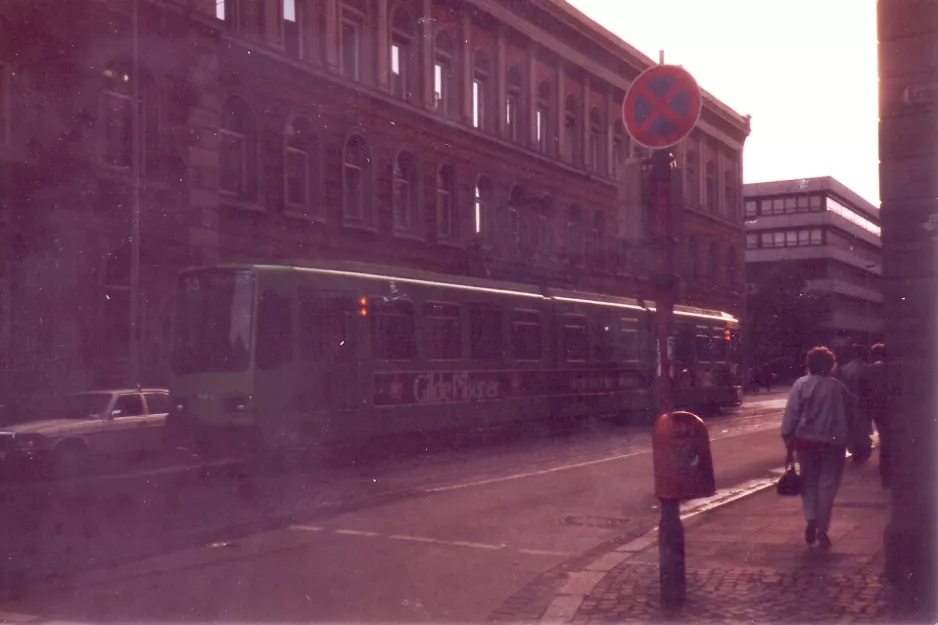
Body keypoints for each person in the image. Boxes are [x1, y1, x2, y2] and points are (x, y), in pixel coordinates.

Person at [781, 346, 857, 550]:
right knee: (828, 485)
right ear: (830, 365)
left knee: (809, 482)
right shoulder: (838, 387)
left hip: (806, 441)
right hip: (833, 443)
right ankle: (823, 528)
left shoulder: (801, 385)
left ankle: (811, 518)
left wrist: (788, 437)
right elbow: (851, 414)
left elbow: (792, 414)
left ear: (810, 364)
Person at [859, 343, 892, 486]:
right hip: (892, 408)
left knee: (885, 441)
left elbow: (864, 390)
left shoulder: (870, 369)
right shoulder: (894, 368)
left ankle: (886, 474)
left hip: (878, 409)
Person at [835, 344, 871, 463]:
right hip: (863, 402)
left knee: (851, 429)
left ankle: (855, 450)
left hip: (848, 403)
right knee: (863, 428)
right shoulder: (867, 368)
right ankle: (863, 450)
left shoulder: (844, 369)